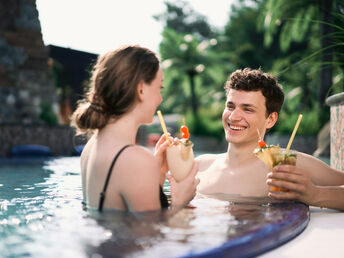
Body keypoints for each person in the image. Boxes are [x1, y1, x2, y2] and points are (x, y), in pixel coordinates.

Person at [71, 45, 199, 212]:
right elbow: (150, 235)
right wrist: (180, 202)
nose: (160, 99)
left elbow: (122, 217)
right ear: (141, 90)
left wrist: (158, 172)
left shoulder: (91, 147)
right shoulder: (135, 160)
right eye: (159, 88)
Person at [196, 68, 344, 211]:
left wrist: (316, 195)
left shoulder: (286, 164)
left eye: (247, 109)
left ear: (271, 119)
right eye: (230, 106)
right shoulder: (200, 166)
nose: (233, 117)